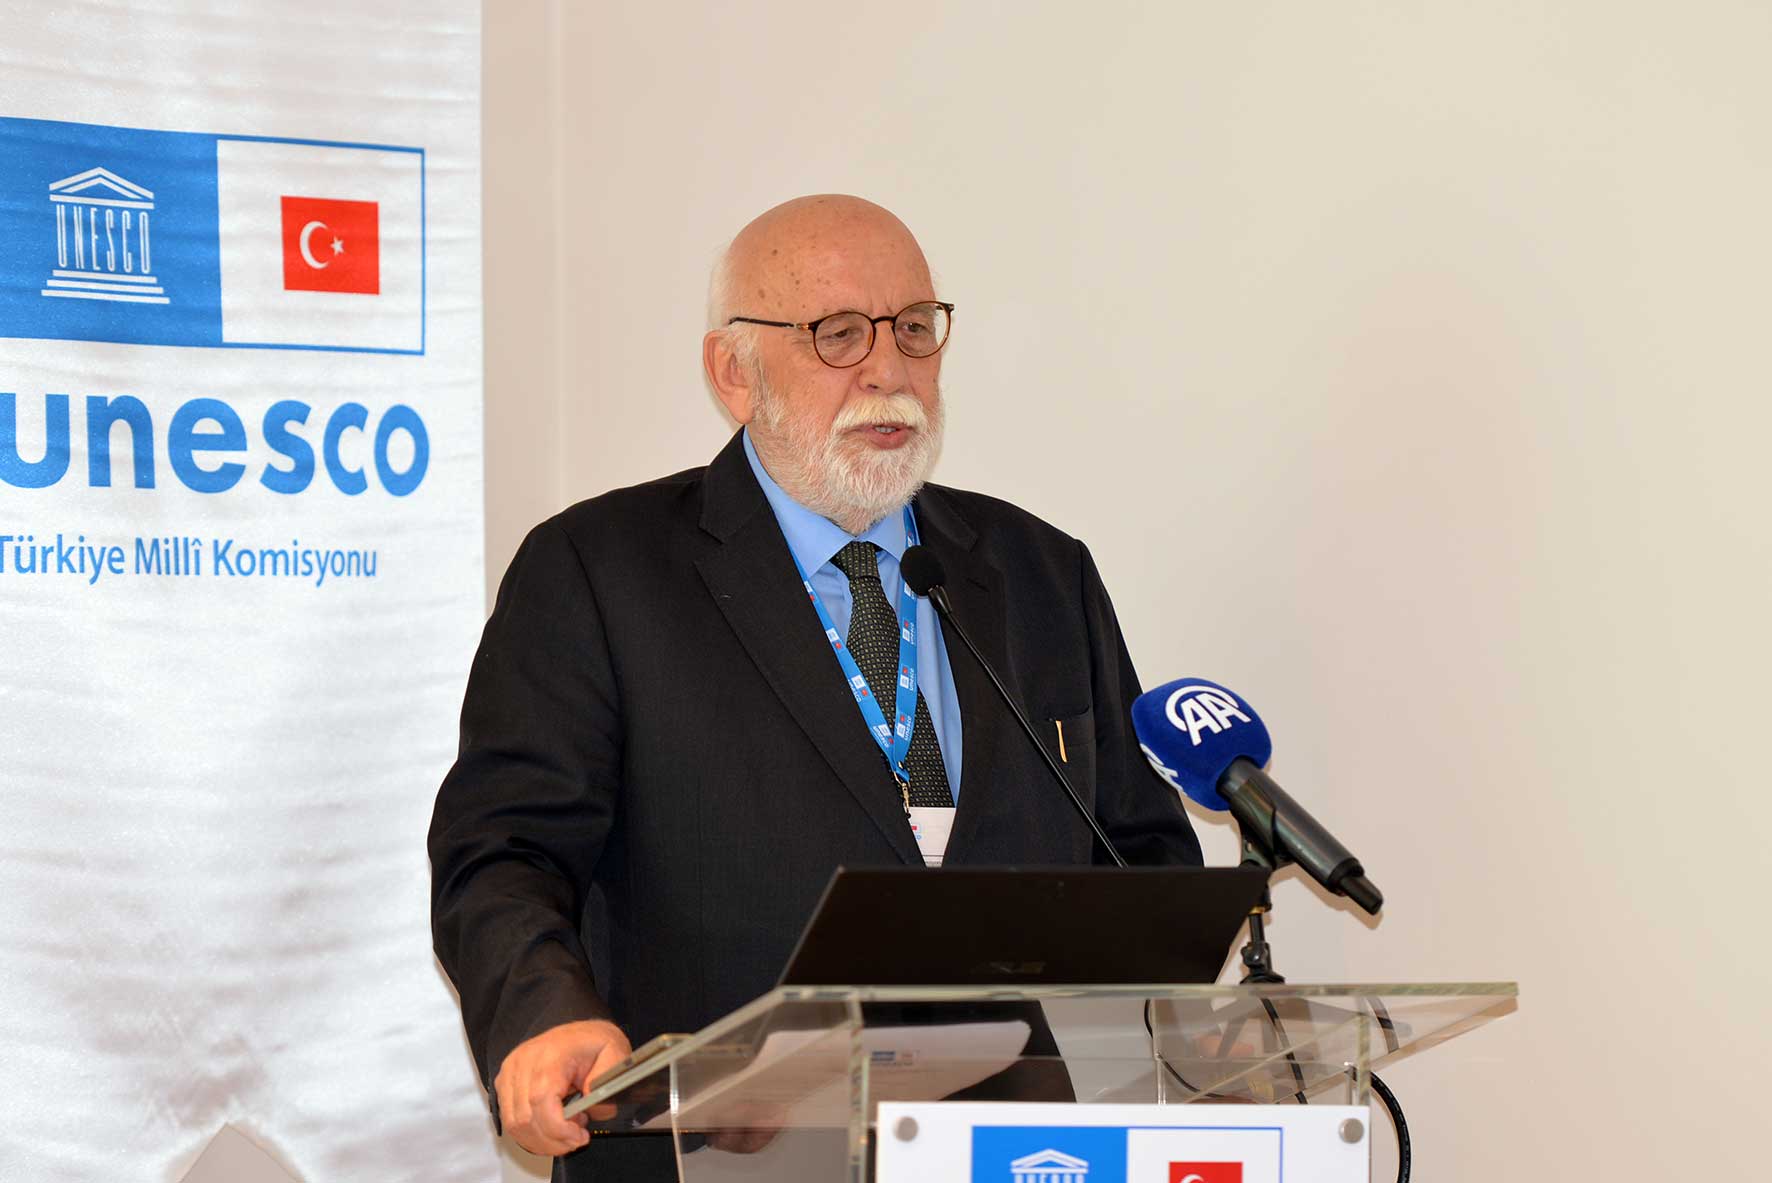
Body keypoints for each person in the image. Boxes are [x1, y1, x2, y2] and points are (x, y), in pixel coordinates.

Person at [428, 195, 1202, 1178]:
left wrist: (1193, 1017)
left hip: (1009, 1152)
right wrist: (544, 1014)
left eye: (913, 328)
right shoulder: (599, 571)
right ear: (733, 372)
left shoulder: (1040, 572)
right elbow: (505, 850)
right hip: (715, 1154)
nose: (888, 370)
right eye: (838, 334)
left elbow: (1137, 852)